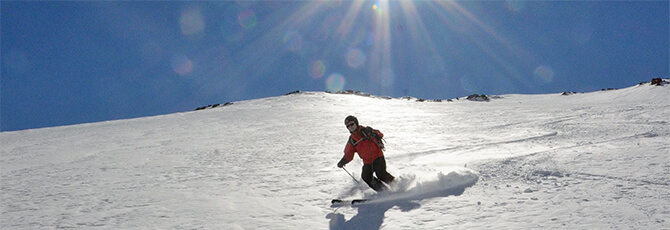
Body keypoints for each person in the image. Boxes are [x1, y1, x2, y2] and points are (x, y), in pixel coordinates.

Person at [337, 115, 395, 191]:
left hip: (378, 156)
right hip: (367, 161)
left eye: (352, 124)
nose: (350, 127)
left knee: (381, 174)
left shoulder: (365, 131)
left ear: (356, 123)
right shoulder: (352, 140)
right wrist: (343, 161)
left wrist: (373, 133)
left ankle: (398, 185)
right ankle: (383, 191)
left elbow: (380, 134)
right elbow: (349, 153)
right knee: (366, 177)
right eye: (348, 126)